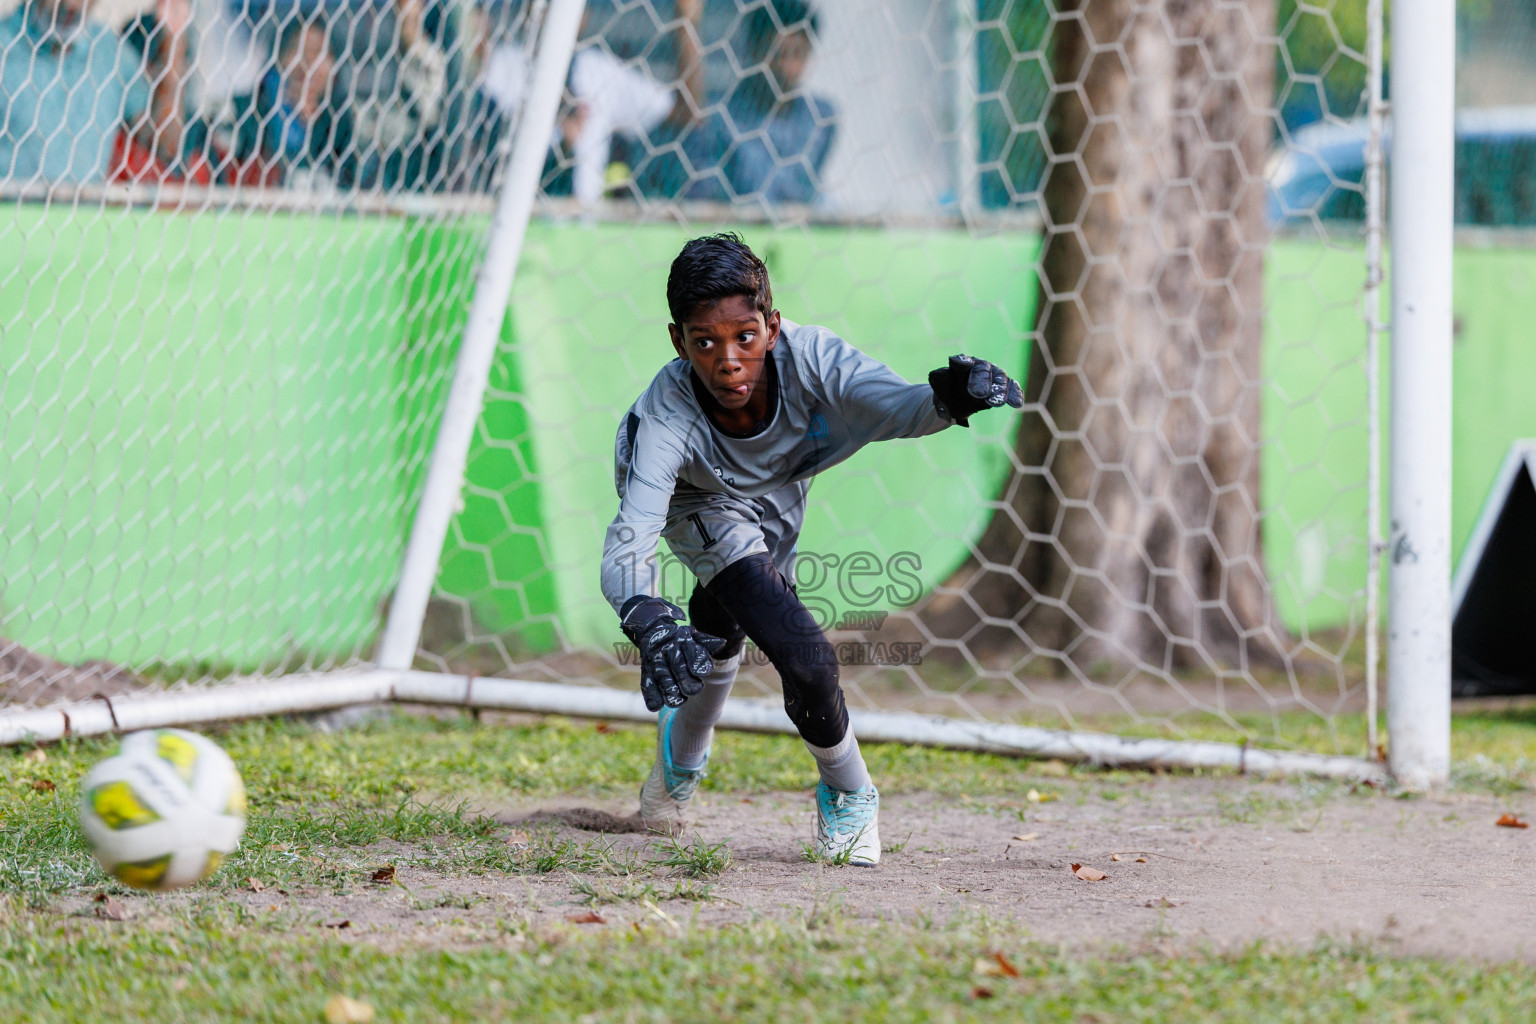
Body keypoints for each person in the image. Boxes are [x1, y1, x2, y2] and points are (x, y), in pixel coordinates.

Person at [601, 234, 1022, 865]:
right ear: (677, 342)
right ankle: (851, 791)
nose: (728, 361)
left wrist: (950, 398)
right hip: (699, 502)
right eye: (704, 342)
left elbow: (895, 403)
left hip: (774, 492)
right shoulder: (666, 420)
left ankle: (676, 765)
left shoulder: (814, 359)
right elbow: (630, 533)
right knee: (803, 652)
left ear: (772, 327)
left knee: (722, 624)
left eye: (744, 336)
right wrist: (649, 617)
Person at [466, 0, 701, 204]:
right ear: (530, 10)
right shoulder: (503, 67)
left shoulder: (601, 72)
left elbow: (687, 113)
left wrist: (687, 26)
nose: (553, 14)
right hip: (522, 218)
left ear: (582, 17)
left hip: (584, 231)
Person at [673, 0, 834, 206]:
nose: (787, 68)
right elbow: (705, 199)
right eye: (778, 54)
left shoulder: (820, 119)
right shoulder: (721, 120)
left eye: (798, 54)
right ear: (754, 50)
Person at [0, 0, 153, 184]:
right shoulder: (6, 45)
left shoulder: (110, 51)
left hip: (85, 210)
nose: (73, 5)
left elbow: (164, 141)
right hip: (11, 207)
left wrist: (173, 39)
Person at [228, 16, 357, 189]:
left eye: (319, 52)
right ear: (279, 56)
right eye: (299, 50)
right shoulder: (249, 110)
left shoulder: (340, 120)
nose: (309, 62)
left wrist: (311, 126)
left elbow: (348, 183)